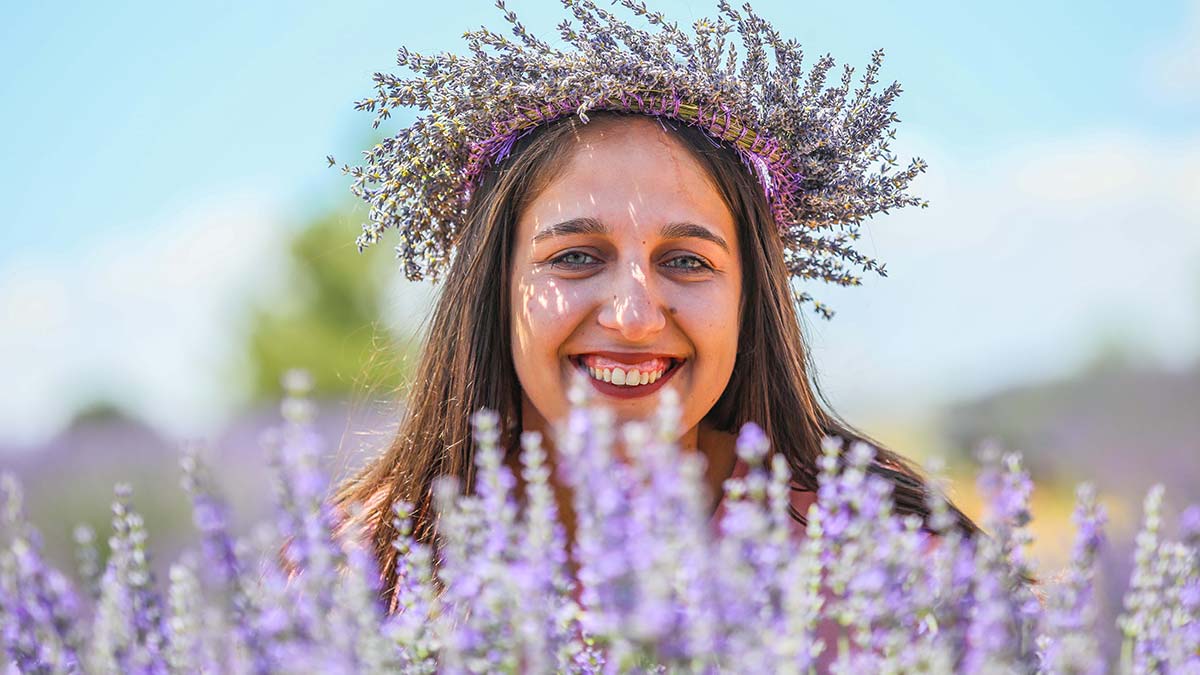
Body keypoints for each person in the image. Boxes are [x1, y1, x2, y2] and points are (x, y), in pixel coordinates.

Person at [330, 1, 981, 614]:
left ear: (750, 297)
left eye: (687, 261)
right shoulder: (353, 575)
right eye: (577, 256)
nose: (635, 316)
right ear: (492, 284)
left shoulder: (892, 567)